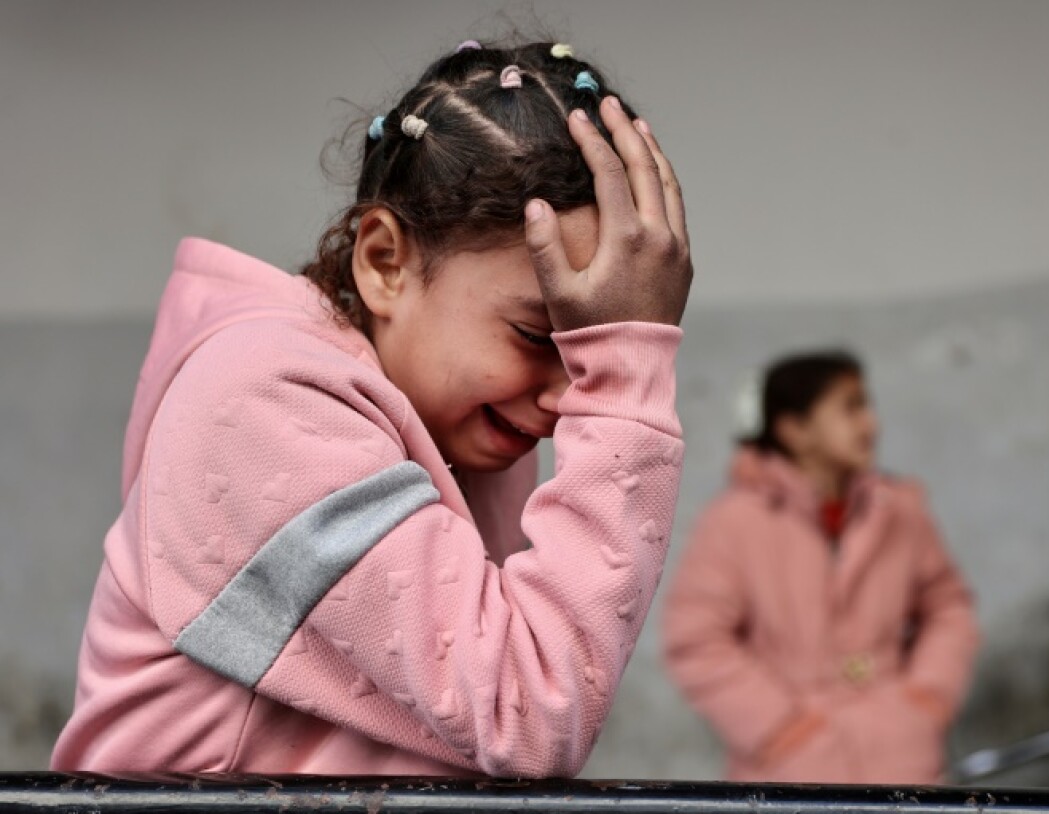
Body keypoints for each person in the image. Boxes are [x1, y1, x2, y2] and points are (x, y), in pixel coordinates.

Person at [52, 39, 692, 778]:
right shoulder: (264, 402)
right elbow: (531, 712)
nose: (565, 398)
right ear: (386, 262)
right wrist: (628, 371)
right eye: (532, 334)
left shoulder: (458, 422)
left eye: (583, 352)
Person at [663, 351, 978, 783]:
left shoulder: (900, 510)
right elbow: (697, 642)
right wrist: (782, 730)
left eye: (866, 406)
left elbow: (949, 607)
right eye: (851, 407)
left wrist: (927, 699)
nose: (871, 424)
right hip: (787, 775)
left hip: (904, 766)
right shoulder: (732, 522)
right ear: (794, 430)